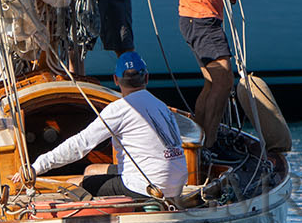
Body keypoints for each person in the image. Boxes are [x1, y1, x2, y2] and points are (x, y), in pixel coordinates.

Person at [11, 51, 187, 200]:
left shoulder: (120, 108)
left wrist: (37, 166)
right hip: (176, 184)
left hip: (147, 188)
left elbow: (80, 144)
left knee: (73, 184)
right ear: (146, 78)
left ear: (116, 80)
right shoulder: (162, 106)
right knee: (91, 169)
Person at [164, 0, 241, 170]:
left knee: (212, 83)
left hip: (201, 17)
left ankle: (197, 145)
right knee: (224, 81)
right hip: (200, 20)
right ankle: (210, 144)